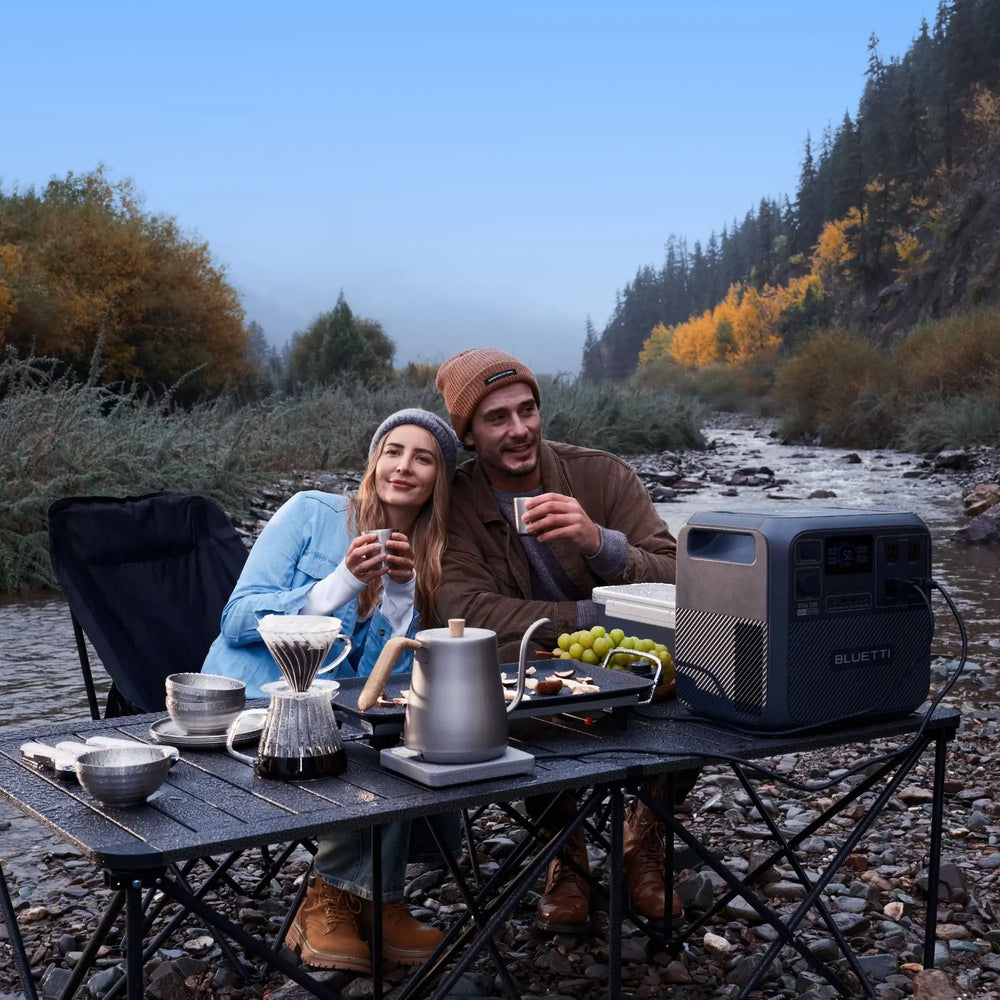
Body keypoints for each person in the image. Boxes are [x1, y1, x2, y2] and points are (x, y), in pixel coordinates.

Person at [434, 347, 694, 933]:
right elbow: (462, 607)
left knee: (696, 662)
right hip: (536, 669)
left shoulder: (601, 474)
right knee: (502, 658)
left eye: (527, 410)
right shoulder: (458, 503)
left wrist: (601, 544)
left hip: (630, 663)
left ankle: (645, 838)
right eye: (497, 418)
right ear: (468, 434)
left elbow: (683, 575)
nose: (519, 429)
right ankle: (564, 848)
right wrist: (588, 617)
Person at [203, 408, 459, 973]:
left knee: (408, 733)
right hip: (258, 707)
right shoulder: (310, 513)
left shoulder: (435, 557)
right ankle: (330, 901)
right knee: (382, 750)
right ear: (374, 461)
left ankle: (372, 902)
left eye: (423, 458)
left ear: (439, 480)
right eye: (393, 451)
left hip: (340, 717)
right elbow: (236, 620)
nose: (404, 466)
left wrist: (401, 597)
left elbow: (375, 689)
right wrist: (340, 583)